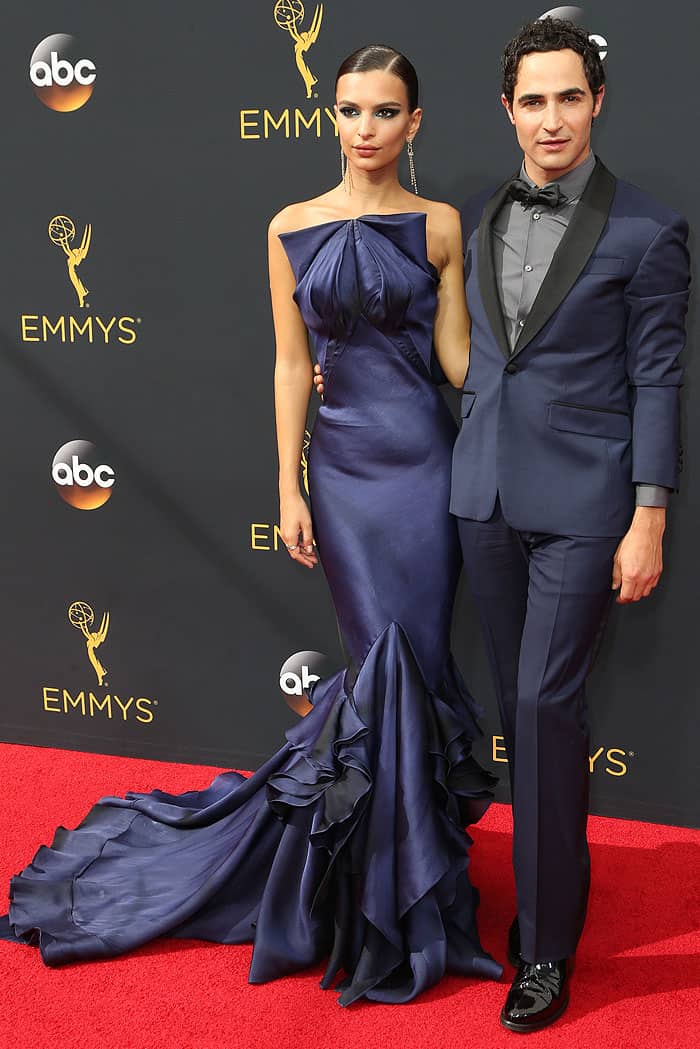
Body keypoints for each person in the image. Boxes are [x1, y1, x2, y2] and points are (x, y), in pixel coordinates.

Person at [0, 45, 503, 1007]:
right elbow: (287, 364)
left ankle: (401, 890)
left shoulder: (440, 225)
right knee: (379, 664)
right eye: (350, 110)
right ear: (332, 117)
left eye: (385, 112)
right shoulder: (288, 226)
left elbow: (454, 361)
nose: (365, 130)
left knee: (416, 666)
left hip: (422, 473)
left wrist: (538, 380)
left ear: (415, 123)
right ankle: (379, 895)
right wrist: (290, 484)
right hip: (347, 480)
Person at [316, 15, 691, 1034]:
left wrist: (647, 514)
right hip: (477, 494)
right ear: (507, 110)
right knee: (511, 709)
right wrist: (342, 366)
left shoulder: (648, 230)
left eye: (570, 96)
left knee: (540, 706)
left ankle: (544, 946)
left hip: (587, 507)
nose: (551, 117)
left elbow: (657, 379)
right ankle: (484, 891)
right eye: (533, 99)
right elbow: (450, 348)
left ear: (598, 101)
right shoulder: (470, 213)